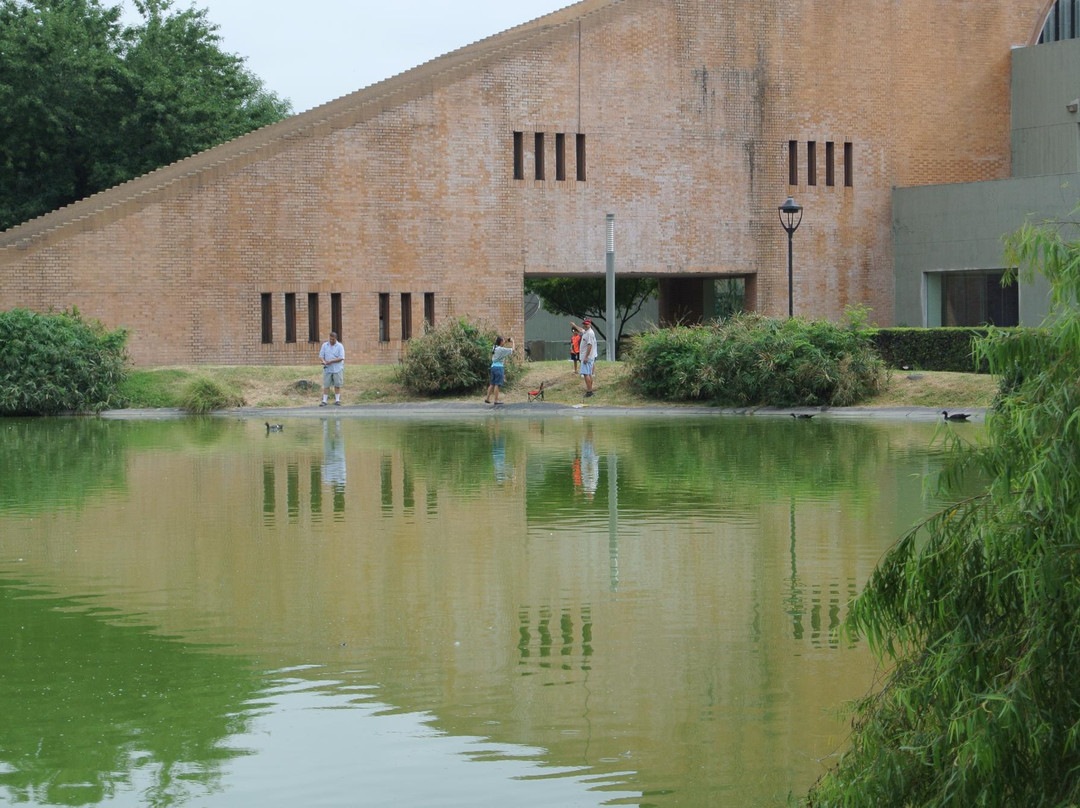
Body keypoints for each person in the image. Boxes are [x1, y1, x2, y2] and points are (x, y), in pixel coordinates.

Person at [484, 335, 515, 405]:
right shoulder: (502, 349)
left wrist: (506, 340)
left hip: (493, 367)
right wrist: (513, 342)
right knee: (497, 385)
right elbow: (512, 350)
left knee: (492, 384)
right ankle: (496, 400)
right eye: (503, 340)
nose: (504, 341)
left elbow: (501, 345)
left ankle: (487, 398)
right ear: (501, 342)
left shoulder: (494, 348)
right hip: (499, 368)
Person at [318, 331, 345, 406]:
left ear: (336, 339)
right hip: (327, 369)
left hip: (337, 369)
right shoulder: (325, 345)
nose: (331, 340)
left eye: (333, 339)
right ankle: (324, 401)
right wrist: (323, 361)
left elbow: (341, 358)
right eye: (330, 339)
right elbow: (321, 355)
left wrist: (331, 361)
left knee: (337, 385)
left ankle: (337, 400)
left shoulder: (340, 346)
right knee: (326, 385)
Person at [578, 318, 597, 397]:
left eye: (587, 324)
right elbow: (581, 330)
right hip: (587, 356)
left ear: (590, 325)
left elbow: (590, 346)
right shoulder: (586, 332)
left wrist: (586, 357)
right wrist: (574, 325)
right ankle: (590, 390)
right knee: (589, 374)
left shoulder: (590, 333)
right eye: (584, 324)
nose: (585, 326)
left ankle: (589, 392)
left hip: (587, 357)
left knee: (586, 374)